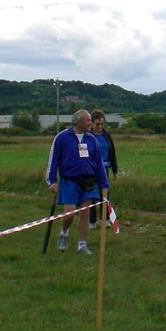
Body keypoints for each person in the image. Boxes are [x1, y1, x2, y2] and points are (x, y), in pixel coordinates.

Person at [45, 109, 110, 255]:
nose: (90, 123)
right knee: (69, 214)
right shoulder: (62, 137)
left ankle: (82, 245)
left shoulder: (91, 139)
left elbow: (98, 163)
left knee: (85, 213)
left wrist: (103, 184)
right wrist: (52, 181)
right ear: (79, 122)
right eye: (88, 120)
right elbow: (53, 159)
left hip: (88, 182)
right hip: (69, 181)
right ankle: (64, 232)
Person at [88, 109, 119, 225]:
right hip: (91, 170)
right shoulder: (87, 137)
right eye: (97, 124)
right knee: (92, 195)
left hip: (104, 169)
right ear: (92, 123)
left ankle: (105, 219)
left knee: (104, 195)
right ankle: (92, 221)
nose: (100, 126)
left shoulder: (107, 136)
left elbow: (112, 153)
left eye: (102, 124)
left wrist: (115, 170)